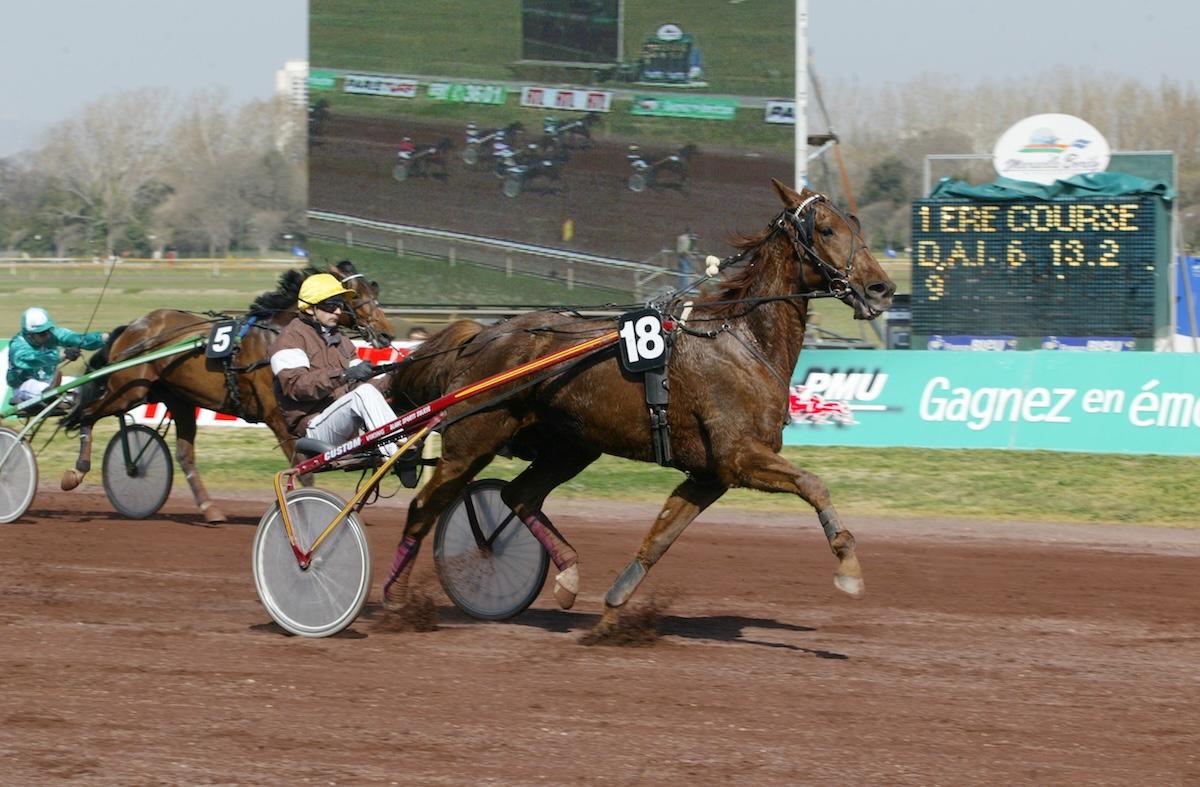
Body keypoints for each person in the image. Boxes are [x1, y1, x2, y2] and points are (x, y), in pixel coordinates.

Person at [269, 273, 399, 457]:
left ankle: (401, 446)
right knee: (362, 394)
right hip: (314, 428)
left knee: (372, 390)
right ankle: (396, 453)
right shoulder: (289, 339)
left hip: (344, 420)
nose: (338, 311)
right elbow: (296, 386)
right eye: (331, 305)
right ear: (309, 308)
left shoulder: (342, 341)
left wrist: (397, 377)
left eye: (340, 305)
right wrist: (344, 375)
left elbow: (367, 386)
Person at [6, 307, 107, 407]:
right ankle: (55, 396)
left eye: (48, 330)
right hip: (23, 387)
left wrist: (104, 338)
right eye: (42, 334)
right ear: (29, 335)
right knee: (34, 385)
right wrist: (61, 355)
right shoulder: (18, 344)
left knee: (85, 384)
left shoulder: (52, 335)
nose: (47, 335)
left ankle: (60, 397)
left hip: (51, 383)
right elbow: (31, 359)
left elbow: (76, 338)